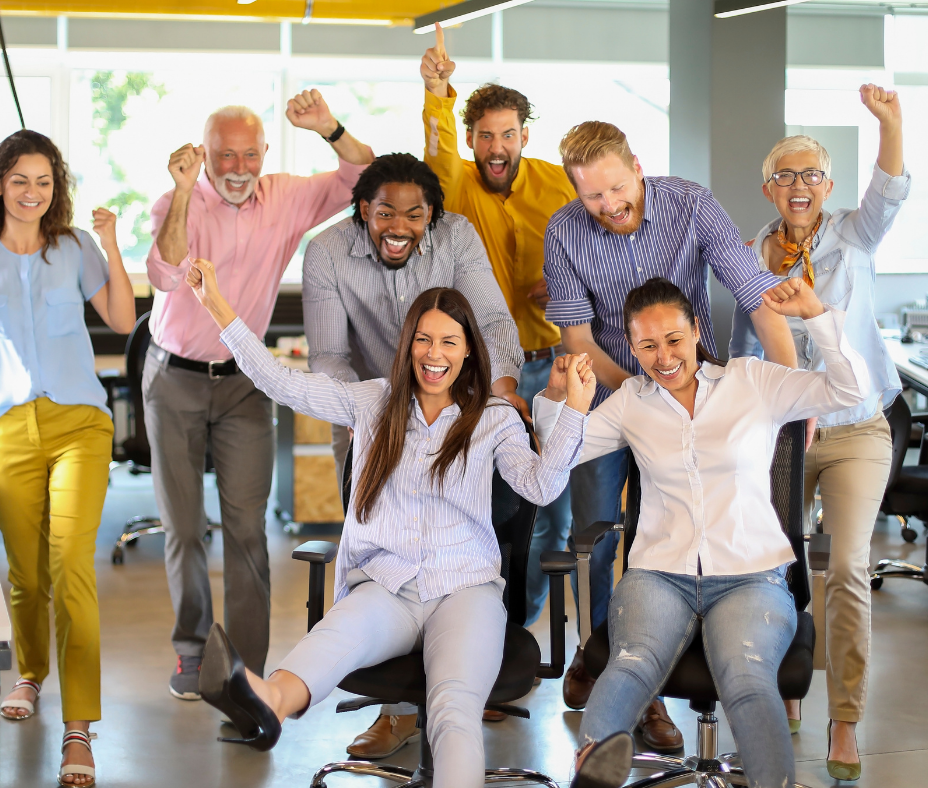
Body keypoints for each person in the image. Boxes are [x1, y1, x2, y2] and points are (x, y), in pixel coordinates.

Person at [185, 266, 594, 788]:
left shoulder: (494, 416)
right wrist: (218, 305)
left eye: (449, 341)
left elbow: (540, 488)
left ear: (468, 350)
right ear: (408, 344)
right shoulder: (371, 400)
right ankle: (266, 703)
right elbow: (279, 381)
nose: (433, 353)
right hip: (387, 585)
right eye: (423, 339)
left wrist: (573, 411)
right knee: (336, 636)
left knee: (453, 710)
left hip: (466, 591)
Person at [534, 276, 870, 788]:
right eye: (647, 345)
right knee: (629, 664)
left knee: (747, 676)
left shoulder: (752, 381)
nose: (663, 357)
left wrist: (816, 315)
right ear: (631, 347)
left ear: (695, 330)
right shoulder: (631, 401)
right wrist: (558, 399)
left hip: (751, 576)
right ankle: (592, 775)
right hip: (659, 575)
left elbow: (849, 389)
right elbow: (558, 457)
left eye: (673, 340)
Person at [542, 120, 798, 743]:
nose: (608, 206)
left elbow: (756, 297)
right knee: (596, 538)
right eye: (592, 197)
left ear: (636, 164)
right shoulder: (565, 231)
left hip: (694, 397)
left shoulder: (691, 204)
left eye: (616, 188)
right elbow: (577, 339)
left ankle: (655, 669)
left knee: (678, 533)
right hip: (610, 395)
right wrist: (641, 392)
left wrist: (788, 387)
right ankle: (620, 673)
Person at [144, 93, 374, 700]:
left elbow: (362, 174)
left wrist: (328, 127)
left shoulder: (287, 196)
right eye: (224, 155)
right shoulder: (178, 201)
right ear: (204, 154)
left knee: (247, 529)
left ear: (264, 153)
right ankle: (192, 651)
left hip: (245, 381)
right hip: (173, 379)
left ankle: (241, 668)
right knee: (185, 527)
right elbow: (166, 272)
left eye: (249, 153)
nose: (237, 166)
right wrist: (185, 190)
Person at [304, 151, 525, 757]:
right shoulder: (325, 252)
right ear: (361, 213)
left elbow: (492, 324)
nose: (398, 226)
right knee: (390, 560)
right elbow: (327, 356)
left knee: (480, 537)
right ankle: (399, 712)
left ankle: (470, 674)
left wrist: (499, 398)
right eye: (383, 214)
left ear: (432, 216)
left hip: (462, 406)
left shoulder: (456, 237)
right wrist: (376, 419)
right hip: (373, 412)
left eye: (414, 215)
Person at [728, 84, 907, 782]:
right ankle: (787, 687)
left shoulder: (855, 235)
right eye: (785, 175)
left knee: (850, 570)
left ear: (827, 185)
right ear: (768, 188)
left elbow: (890, 190)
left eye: (811, 174)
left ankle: (846, 717)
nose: (798, 185)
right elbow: (746, 351)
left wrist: (890, 120)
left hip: (856, 429)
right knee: (776, 570)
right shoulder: (747, 256)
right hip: (783, 434)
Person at [0, 130, 136, 786]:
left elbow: (125, 320)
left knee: (70, 565)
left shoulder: (74, 247)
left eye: (44, 181)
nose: (32, 192)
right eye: (20, 179)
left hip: (80, 422)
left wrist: (113, 246)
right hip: (5, 426)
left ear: (57, 187)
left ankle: (79, 728)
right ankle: (29, 674)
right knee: (23, 571)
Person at [420, 23, 576, 630]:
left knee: (552, 513)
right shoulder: (456, 181)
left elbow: (597, 242)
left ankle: (518, 630)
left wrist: (563, 277)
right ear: (472, 138)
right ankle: (482, 626)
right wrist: (438, 90)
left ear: (523, 136)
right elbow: (435, 152)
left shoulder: (557, 182)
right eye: (485, 135)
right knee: (487, 505)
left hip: (553, 368)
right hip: (485, 378)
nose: (496, 145)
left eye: (507, 134)